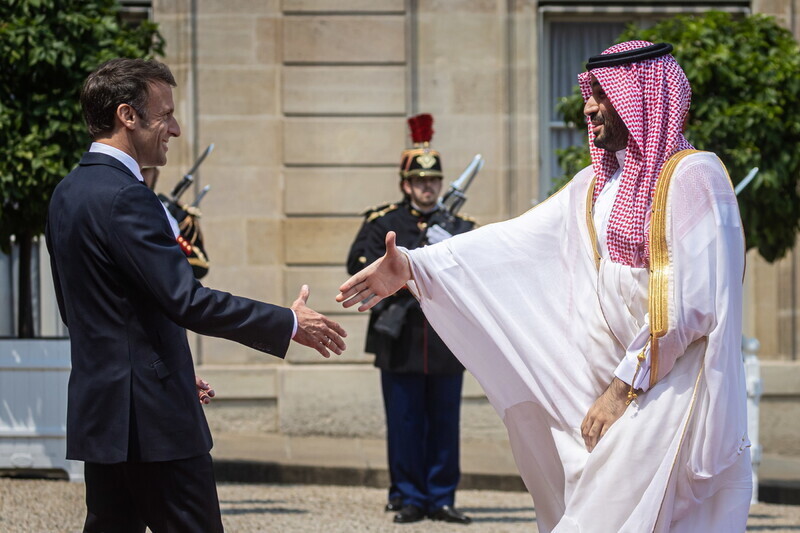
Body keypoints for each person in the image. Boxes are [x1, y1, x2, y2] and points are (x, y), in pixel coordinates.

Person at [338, 41, 751, 532]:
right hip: (615, 384)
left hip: (671, 390)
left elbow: (690, 304)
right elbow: (516, 242)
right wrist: (414, 266)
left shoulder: (694, 175)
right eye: (589, 92)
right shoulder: (596, 184)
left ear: (641, 97)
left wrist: (622, 389)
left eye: (602, 92)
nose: (589, 105)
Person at [45, 58, 347, 532]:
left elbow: (86, 311)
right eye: (165, 115)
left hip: (106, 412)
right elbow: (186, 300)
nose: (176, 129)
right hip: (152, 422)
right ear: (128, 115)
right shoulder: (129, 197)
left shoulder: (68, 191)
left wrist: (166, 366)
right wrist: (289, 323)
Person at [346, 114, 475, 525]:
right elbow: (360, 264)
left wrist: (450, 250)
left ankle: (440, 497)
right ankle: (407, 495)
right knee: (404, 422)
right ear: (405, 184)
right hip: (398, 336)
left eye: (434, 181)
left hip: (445, 338)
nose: (427, 187)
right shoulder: (383, 222)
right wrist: (414, 258)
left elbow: (478, 278)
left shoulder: (461, 227)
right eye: (420, 182)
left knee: (443, 422)